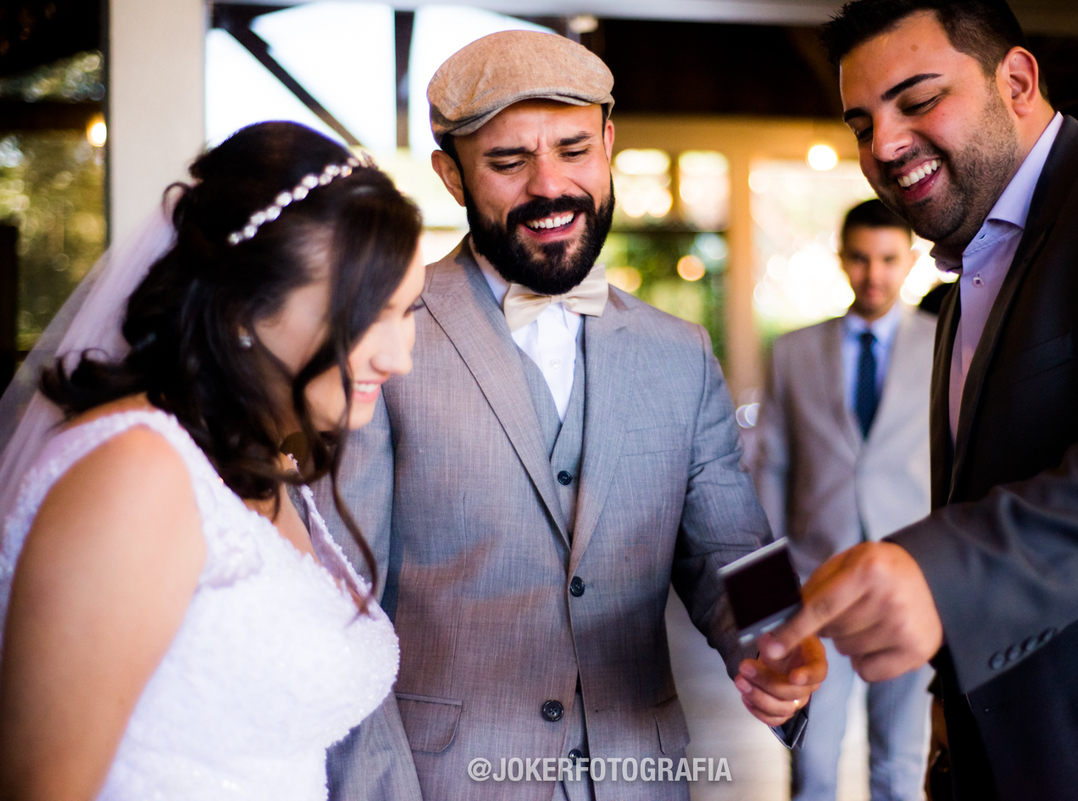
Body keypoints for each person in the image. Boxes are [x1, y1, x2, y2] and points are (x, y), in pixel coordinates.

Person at [318, 29, 826, 801]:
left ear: (610, 144)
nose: (550, 186)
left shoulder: (678, 352)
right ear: (450, 175)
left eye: (574, 149)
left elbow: (736, 549)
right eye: (508, 161)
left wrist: (778, 637)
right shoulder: (384, 343)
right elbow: (341, 609)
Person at [765, 2, 1078, 800]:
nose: (884, 146)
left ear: (1019, 81)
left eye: (919, 100)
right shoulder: (967, 284)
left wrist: (948, 580)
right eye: (861, 124)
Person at [0, 121, 427, 801]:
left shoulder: (266, 462)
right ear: (246, 309)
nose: (398, 355)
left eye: (410, 310)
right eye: (367, 316)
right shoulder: (134, 473)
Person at [755, 198, 935, 801]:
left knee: (900, 766)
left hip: (909, 581)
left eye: (887, 259)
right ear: (841, 259)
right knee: (812, 768)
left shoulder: (946, 344)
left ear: (909, 261)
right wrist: (766, 601)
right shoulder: (792, 352)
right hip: (815, 586)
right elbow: (769, 472)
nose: (873, 275)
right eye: (859, 258)